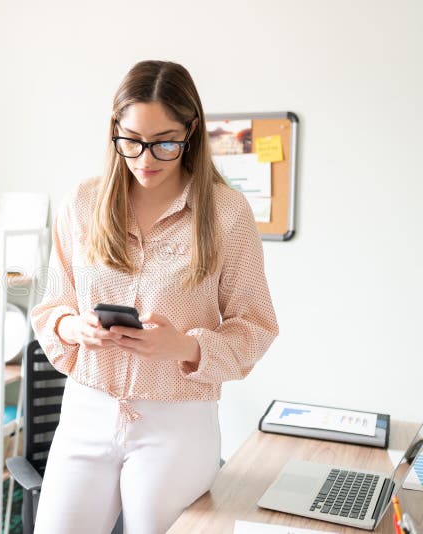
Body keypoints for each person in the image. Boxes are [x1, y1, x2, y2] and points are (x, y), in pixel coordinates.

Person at [30, 60, 279, 534]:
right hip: (86, 410)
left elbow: (256, 325)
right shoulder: (82, 203)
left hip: (177, 423)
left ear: (192, 131)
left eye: (165, 142)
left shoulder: (226, 214)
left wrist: (185, 347)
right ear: (115, 131)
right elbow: (50, 308)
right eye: (132, 141)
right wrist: (72, 326)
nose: (146, 159)